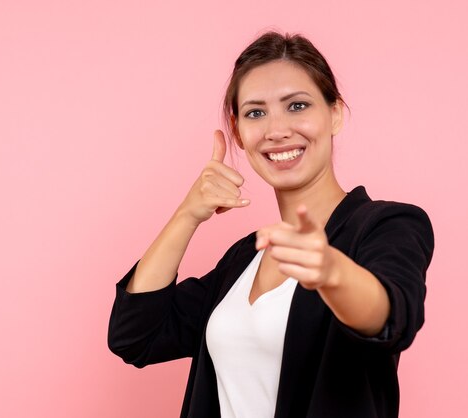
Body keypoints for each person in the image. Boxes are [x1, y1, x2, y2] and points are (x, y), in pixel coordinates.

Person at [107, 31, 434, 418]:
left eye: (297, 105)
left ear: (335, 114)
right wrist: (187, 214)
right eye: (255, 113)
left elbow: (391, 317)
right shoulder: (247, 256)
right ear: (239, 133)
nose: (276, 129)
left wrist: (332, 271)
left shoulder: (387, 225)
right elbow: (135, 335)